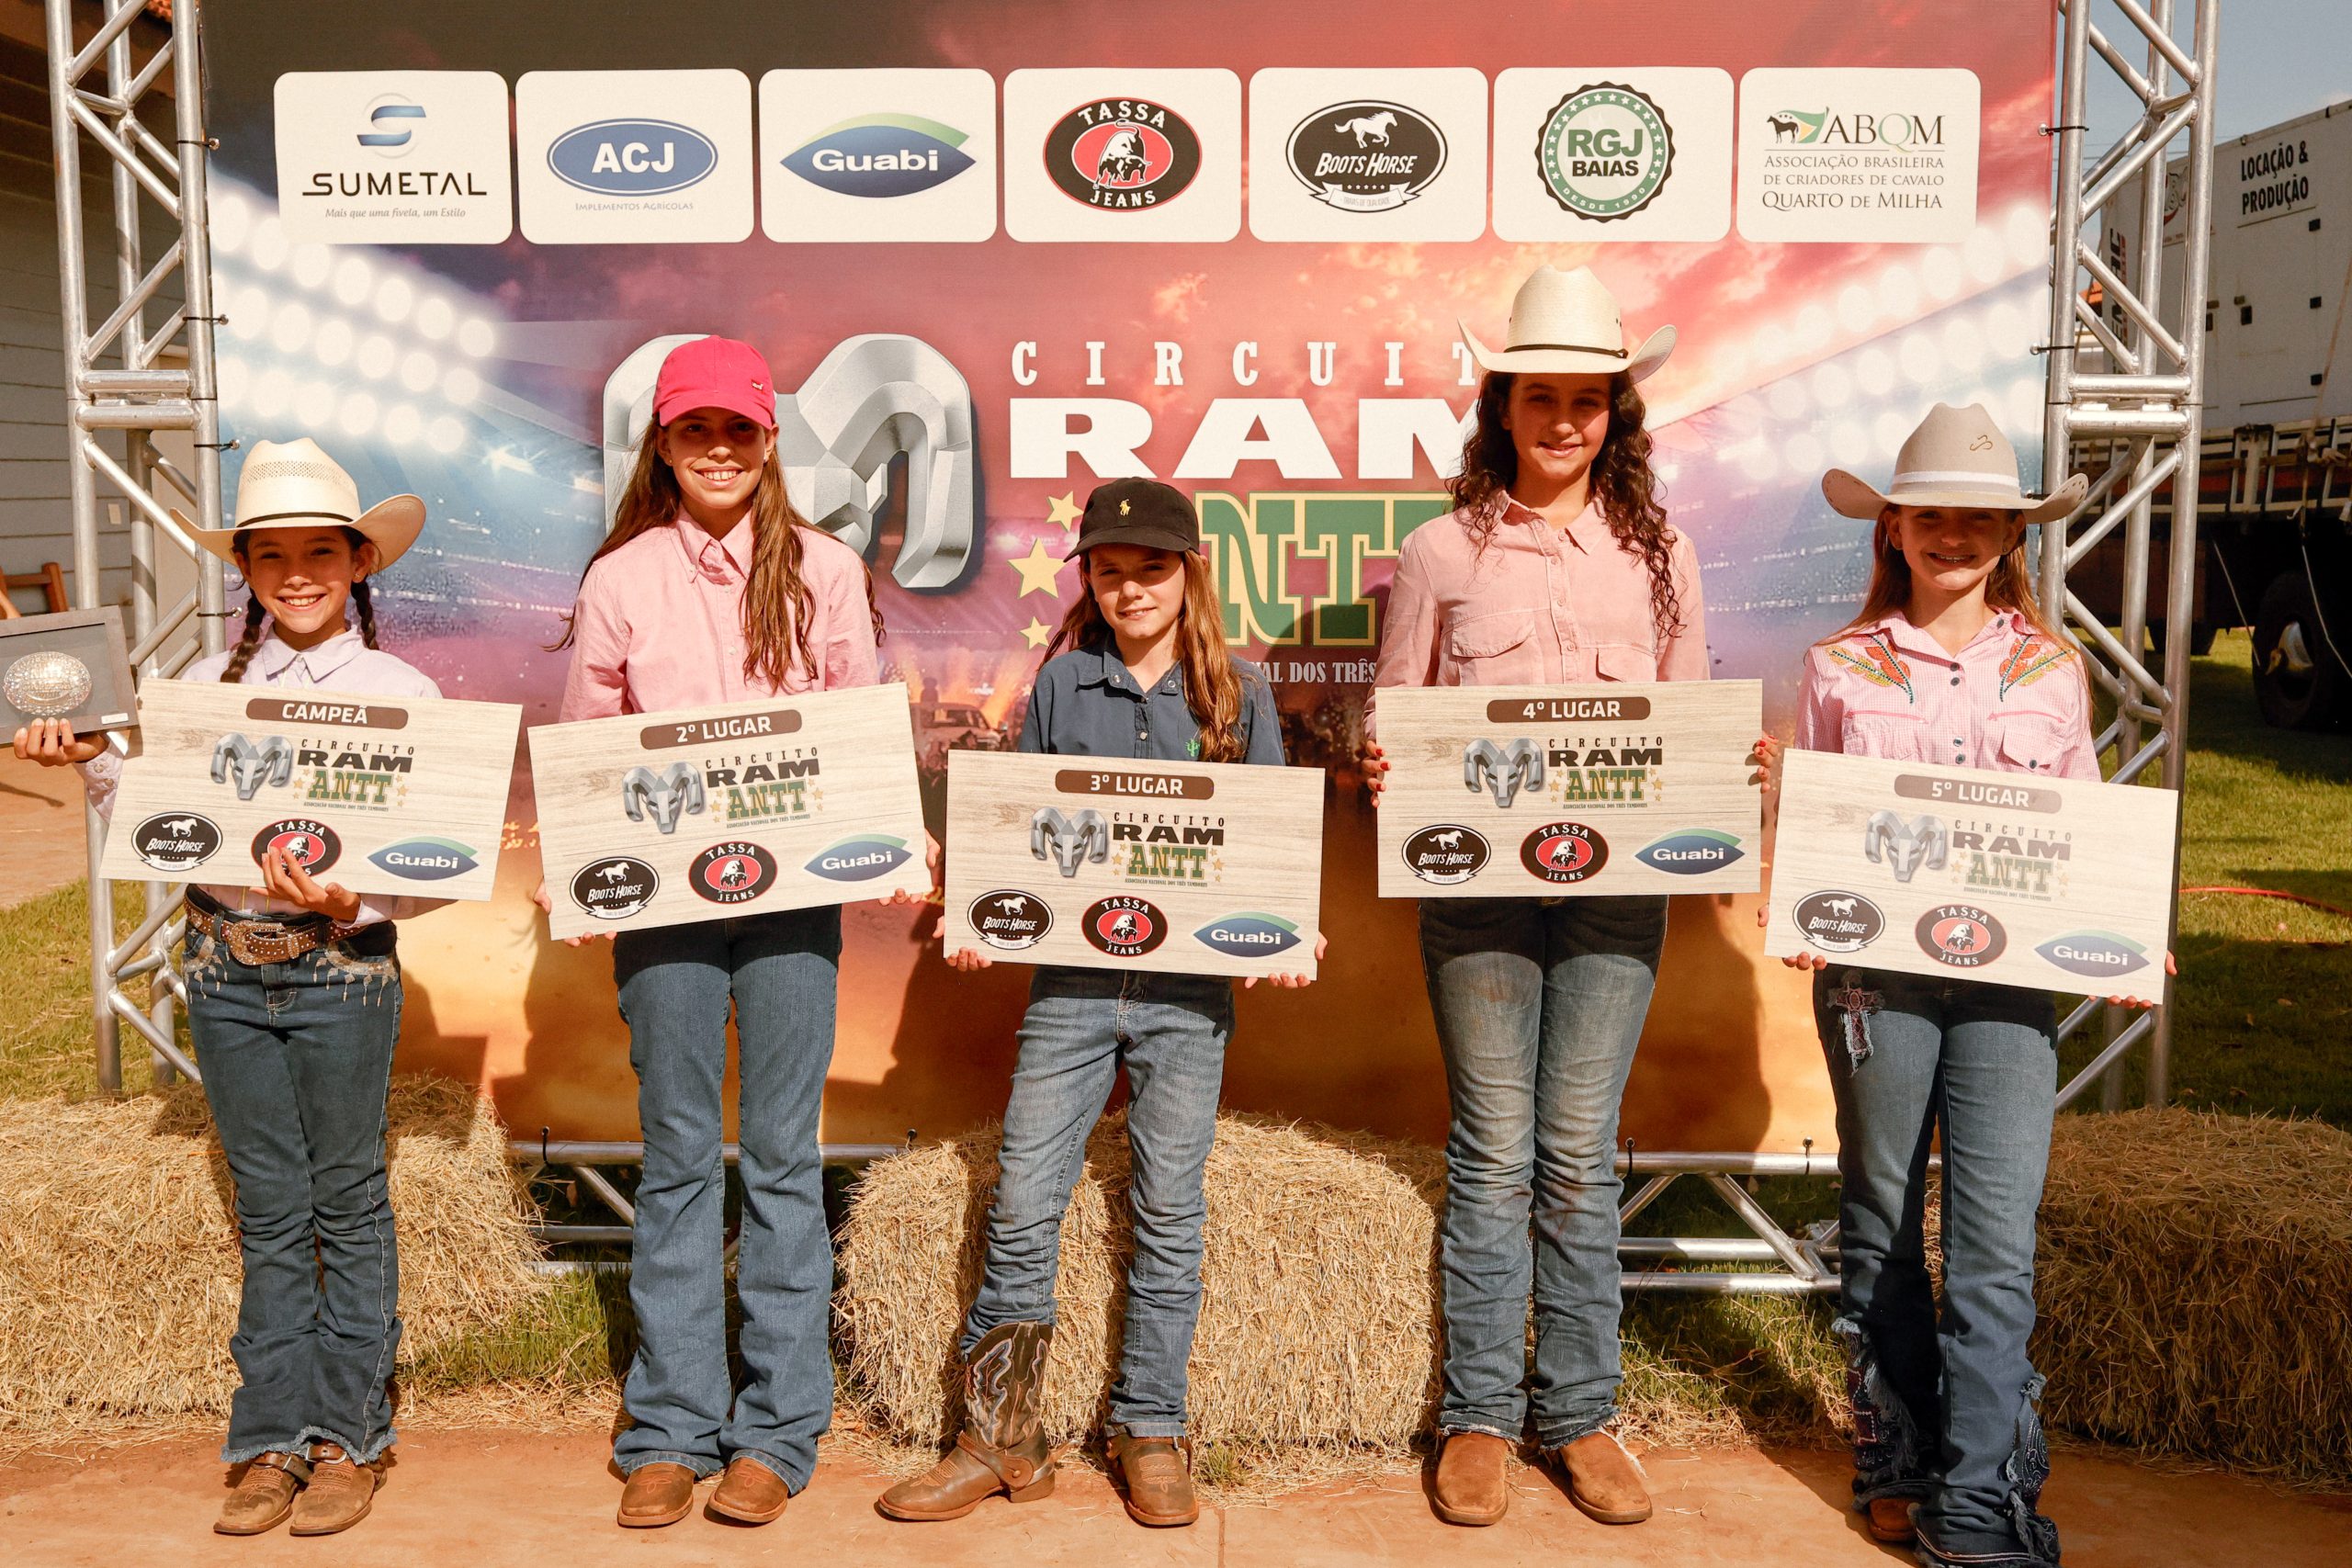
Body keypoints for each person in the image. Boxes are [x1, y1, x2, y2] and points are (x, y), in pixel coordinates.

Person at [15, 438, 441, 1538]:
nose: (297, 574)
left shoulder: (402, 690)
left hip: (342, 968)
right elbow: (165, 823)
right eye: (271, 556)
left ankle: (349, 1437)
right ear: (243, 570)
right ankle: (268, 1444)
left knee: (345, 1193)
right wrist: (91, 760)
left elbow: (434, 872)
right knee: (269, 1200)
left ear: (358, 562)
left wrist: (354, 903)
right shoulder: (206, 685)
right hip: (222, 967)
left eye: (319, 553)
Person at [1362, 265, 1732, 1529]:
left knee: (1576, 1152)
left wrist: (1718, 767)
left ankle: (1577, 1411)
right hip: (1478, 896)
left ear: (1615, 412)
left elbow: (1688, 720)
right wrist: (1381, 757)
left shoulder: (1662, 554)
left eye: (1590, 398)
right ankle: (1476, 1411)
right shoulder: (1438, 550)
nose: (1565, 418)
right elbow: (1393, 714)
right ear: (1503, 404)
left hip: (1617, 894)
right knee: (1493, 1149)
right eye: (1543, 396)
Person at [876, 479, 1322, 1530]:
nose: (1129, 589)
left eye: (1151, 570)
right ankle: (1000, 1434)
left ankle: (1149, 1426)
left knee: (1171, 1209)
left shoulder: (1240, 694)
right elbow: (1016, 823)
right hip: (1070, 993)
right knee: (1026, 1201)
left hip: (1188, 999)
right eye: (1108, 571)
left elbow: (1266, 847)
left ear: (1189, 574)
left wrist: (1291, 932)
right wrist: (986, 915)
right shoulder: (1061, 685)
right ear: (1089, 579)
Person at [1774, 401, 2169, 1568]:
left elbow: (2080, 830)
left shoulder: (2053, 669)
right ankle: (1896, 1452)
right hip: (1870, 985)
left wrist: (2122, 932)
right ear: (1892, 527)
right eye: (1933, 513)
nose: (1956, 533)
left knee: (1995, 1241)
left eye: (1982, 518)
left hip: (2008, 997)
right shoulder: (1836, 666)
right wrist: (1807, 910)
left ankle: (1980, 1493)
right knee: (1883, 1217)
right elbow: (1815, 818)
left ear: (2011, 538)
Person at [546, 335, 896, 1529]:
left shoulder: (827, 572)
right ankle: (670, 1424)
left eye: (737, 428)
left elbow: (859, 740)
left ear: (768, 440)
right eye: (693, 428)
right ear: (662, 442)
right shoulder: (621, 579)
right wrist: (583, 871)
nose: (716, 449)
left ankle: (777, 1429)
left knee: (784, 1153)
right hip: (665, 911)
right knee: (683, 1151)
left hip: (794, 904)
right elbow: (588, 755)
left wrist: (891, 833)